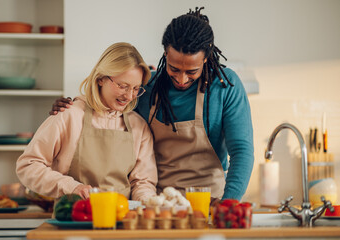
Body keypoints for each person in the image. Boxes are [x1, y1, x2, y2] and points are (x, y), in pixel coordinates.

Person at [50, 7, 254, 203]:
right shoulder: (146, 87)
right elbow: (106, 113)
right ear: (165, 53)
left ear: (206, 59)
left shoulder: (225, 86)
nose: (182, 79)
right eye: (174, 69)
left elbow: (242, 150)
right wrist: (76, 106)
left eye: (192, 71)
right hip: (155, 203)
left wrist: (229, 203)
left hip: (210, 201)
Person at [16, 42, 158, 201]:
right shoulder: (69, 115)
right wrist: (71, 187)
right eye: (123, 86)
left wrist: (147, 203)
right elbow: (28, 165)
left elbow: (142, 182)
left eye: (136, 88)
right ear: (101, 79)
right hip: (73, 219)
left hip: (122, 221)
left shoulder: (138, 126)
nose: (129, 96)